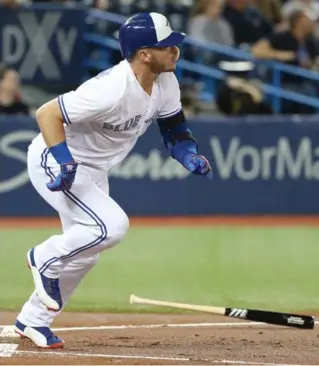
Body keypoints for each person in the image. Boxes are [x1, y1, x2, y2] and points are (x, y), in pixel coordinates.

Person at [13, 12, 212, 349]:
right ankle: (43, 256)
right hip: (56, 159)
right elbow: (47, 113)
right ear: (145, 54)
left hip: (93, 170)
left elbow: (175, 129)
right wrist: (64, 161)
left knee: (87, 251)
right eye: (168, 46)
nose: (175, 51)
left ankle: (34, 319)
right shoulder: (112, 89)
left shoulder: (165, 82)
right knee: (111, 226)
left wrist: (187, 153)